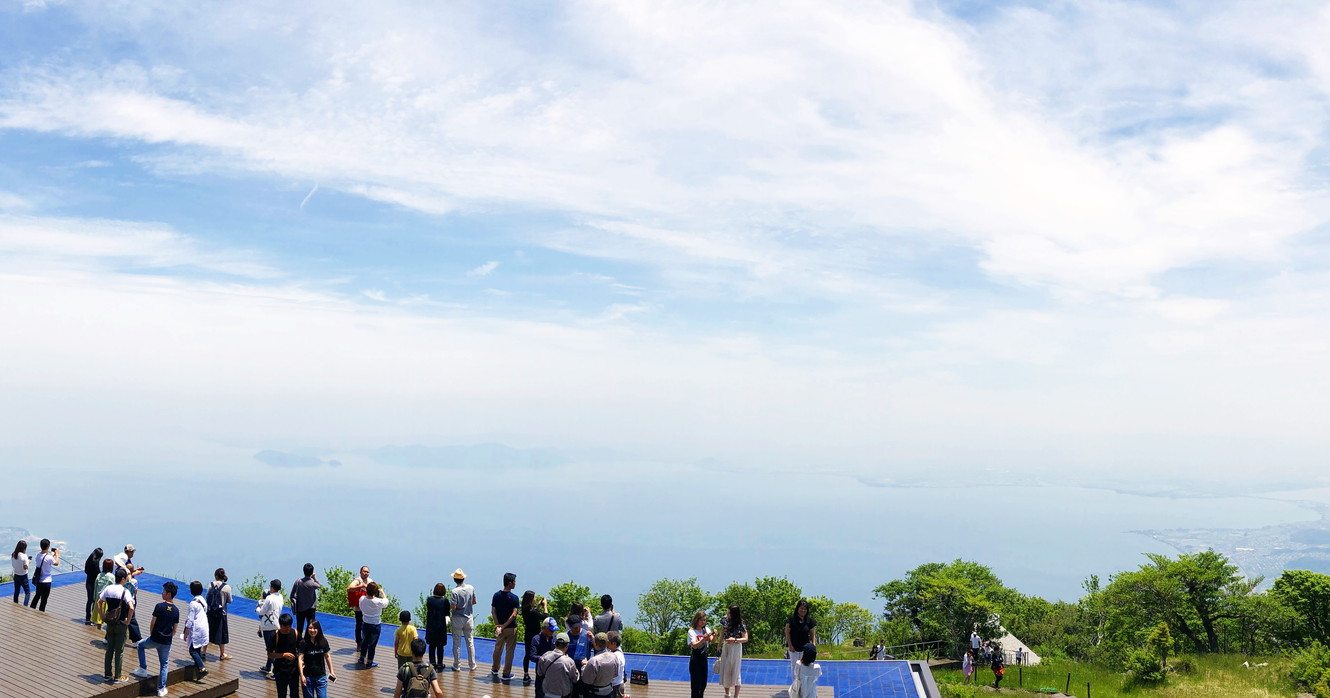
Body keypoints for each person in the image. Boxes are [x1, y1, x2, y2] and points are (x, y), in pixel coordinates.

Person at [130, 581, 179, 697]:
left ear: (168, 594)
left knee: (140, 645)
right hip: (166, 642)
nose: (162, 593)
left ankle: (143, 669)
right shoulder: (176, 610)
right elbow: (175, 629)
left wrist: (152, 634)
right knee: (164, 665)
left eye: (163, 592)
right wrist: (169, 637)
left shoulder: (159, 606)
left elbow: (153, 623)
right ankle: (161, 688)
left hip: (155, 639)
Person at [99, 567, 136, 683]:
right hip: (121, 623)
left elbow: (99, 602)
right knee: (119, 651)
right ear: (124, 579)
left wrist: (102, 616)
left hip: (110, 622)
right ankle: (118, 676)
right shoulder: (125, 591)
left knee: (109, 648)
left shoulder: (108, 588)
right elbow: (131, 607)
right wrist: (128, 621)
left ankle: (107, 673)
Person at [784, 599, 817, 697]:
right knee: (795, 667)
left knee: (805, 666)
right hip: (794, 647)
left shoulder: (809, 621)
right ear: (798, 609)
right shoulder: (791, 620)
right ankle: (796, 687)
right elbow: (787, 632)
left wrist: (813, 645)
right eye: (801, 608)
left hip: (805, 648)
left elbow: (812, 634)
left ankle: (805, 687)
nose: (803, 611)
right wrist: (790, 645)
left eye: (805, 609)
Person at [491, 572, 520, 682]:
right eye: (514, 582)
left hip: (500, 628)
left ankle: (494, 668)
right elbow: (514, 614)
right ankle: (506, 674)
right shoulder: (514, 598)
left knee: (498, 648)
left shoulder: (496, 595)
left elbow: (493, 611)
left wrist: (498, 625)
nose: (515, 583)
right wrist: (504, 626)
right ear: (510, 583)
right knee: (509, 651)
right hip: (511, 628)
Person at [298, 619, 336, 698]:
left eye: (315, 628)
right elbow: (300, 659)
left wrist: (331, 671)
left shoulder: (323, 641)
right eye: (310, 628)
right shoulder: (303, 643)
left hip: (321, 676)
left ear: (318, 629)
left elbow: (327, 656)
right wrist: (302, 676)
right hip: (308, 677)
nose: (312, 630)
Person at [449, 568, 477, 671]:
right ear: (463, 578)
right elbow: (474, 601)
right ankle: (472, 665)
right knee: (470, 642)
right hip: (469, 617)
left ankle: (457, 665)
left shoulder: (454, 591)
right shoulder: (471, 588)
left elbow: (453, 607)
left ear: (454, 580)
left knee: (457, 643)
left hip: (457, 618)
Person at [718, 605, 747, 698]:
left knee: (735, 669)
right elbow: (722, 632)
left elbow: (745, 638)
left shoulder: (740, 624)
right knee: (725, 667)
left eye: (729, 612)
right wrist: (719, 644)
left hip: (735, 647)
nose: (727, 613)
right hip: (726, 645)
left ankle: (736, 695)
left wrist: (734, 639)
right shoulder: (725, 620)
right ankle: (727, 693)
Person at [537, 632, 579, 698]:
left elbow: (539, 673)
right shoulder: (569, 661)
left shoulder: (545, 656)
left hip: (547, 693)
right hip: (563, 695)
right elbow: (575, 678)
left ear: (555, 644)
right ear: (567, 646)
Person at [358, 581, 390, 667]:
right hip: (375, 624)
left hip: (365, 623)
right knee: (372, 644)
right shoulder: (378, 601)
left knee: (364, 641)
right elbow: (386, 602)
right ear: (375, 592)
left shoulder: (362, 599)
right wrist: (383, 592)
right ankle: (369, 662)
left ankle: (361, 658)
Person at [257, 579, 285, 678]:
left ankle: (276, 671)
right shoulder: (280, 597)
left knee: (270, 649)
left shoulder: (269, 598)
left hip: (267, 626)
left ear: (272, 588)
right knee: (273, 647)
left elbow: (261, 612)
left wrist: (257, 608)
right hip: (276, 624)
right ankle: (268, 667)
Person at [183, 580, 210, 681]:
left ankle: (202, 668)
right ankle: (197, 667)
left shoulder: (193, 603)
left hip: (197, 627)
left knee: (192, 650)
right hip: (204, 625)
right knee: (197, 647)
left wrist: (186, 632)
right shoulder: (203, 600)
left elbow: (190, 620)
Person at [521, 591, 550, 684]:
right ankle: (539, 674)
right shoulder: (532, 612)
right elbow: (544, 617)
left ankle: (525, 674)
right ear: (531, 599)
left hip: (528, 634)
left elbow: (534, 613)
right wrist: (545, 606)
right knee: (538, 654)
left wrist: (538, 606)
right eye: (534, 598)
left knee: (527, 654)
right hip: (536, 635)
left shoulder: (525, 609)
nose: (535, 599)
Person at [270, 613, 301, 698]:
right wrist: (283, 655)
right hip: (280, 671)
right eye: (285, 627)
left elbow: (301, 650)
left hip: (294, 670)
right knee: (282, 694)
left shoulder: (295, 633)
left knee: (295, 694)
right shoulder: (275, 635)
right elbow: (270, 654)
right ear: (280, 625)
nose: (287, 629)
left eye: (289, 626)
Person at [206, 568, 233, 661]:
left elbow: (207, 597)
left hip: (210, 612)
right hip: (221, 613)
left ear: (215, 576)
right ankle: (222, 654)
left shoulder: (210, 585)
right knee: (222, 634)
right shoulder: (227, 587)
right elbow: (229, 600)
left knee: (208, 631)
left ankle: (204, 651)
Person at [580, 632, 617, 698]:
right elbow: (615, 674)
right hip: (608, 691)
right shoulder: (614, 657)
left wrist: (584, 665)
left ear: (596, 644)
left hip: (595, 693)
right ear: (607, 642)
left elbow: (587, 680)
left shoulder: (594, 661)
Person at [530, 617, 560, 698]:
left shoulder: (555, 638)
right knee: (539, 693)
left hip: (553, 672)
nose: (552, 632)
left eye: (554, 630)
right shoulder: (536, 639)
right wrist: (544, 659)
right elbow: (532, 656)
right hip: (541, 671)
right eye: (551, 630)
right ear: (544, 628)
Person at [688, 611, 715, 698]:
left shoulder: (706, 629)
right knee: (696, 685)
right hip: (695, 659)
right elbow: (695, 645)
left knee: (703, 683)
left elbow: (712, 640)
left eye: (704, 620)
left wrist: (714, 635)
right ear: (697, 620)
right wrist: (703, 639)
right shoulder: (692, 631)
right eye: (701, 620)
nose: (703, 622)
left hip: (704, 658)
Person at [424, 582, 451, 671]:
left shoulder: (429, 600)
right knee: (440, 646)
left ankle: (432, 663)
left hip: (431, 625)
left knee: (431, 646)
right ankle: (440, 663)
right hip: (441, 626)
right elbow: (447, 613)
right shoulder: (445, 601)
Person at [28, 538, 59, 612]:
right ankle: (41, 613)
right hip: (47, 581)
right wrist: (57, 555)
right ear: (48, 547)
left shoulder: (37, 555)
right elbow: (56, 563)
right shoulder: (49, 557)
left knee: (37, 596)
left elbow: (44, 558)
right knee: (44, 600)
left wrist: (51, 555)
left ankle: (31, 609)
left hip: (39, 580)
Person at [348, 566, 374, 653]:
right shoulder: (357, 580)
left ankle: (366, 642)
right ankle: (359, 642)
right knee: (359, 624)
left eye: (367, 572)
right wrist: (360, 586)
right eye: (364, 571)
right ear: (360, 572)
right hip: (358, 607)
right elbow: (349, 588)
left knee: (366, 625)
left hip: (367, 607)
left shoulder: (370, 581)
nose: (365, 573)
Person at [292, 563, 322, 638]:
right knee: (311, 627)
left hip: (300, 608)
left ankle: (298, 643)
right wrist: (314, 577)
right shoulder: (312, 584)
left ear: (303, 571)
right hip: (311, 609)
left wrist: (294, 605)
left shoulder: (298, 582)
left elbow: (292, 595)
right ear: (312, 572)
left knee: (299, 628)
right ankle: (309, 642)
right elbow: (319, 585)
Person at [92, 558, 115, 628]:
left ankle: (98, 630)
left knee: (99, 618)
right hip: (107, 600)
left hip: (98, 599)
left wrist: (95, 598)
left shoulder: (99, 575)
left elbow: (95, 587)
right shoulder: (111, 577)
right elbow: (113, 588)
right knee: (108, 618)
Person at [84, 547, 104, 624]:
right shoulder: (95, 562)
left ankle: (87, 617)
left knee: (89, 600)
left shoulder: (89, 560)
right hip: (94, 583)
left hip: (88, 581)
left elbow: (86, 571)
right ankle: (93, 618)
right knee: (94, 600)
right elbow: (98, 573)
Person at [607, 630, 627, 698]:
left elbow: (614, 673)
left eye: (608, 641)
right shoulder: (617, 651)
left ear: (614, 643)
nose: (606, 643)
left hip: (615, 686)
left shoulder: (616, 656)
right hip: (618, 683)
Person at [10, 540, 30, 606]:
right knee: (27, 592)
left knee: (16, 591)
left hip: (16, 575)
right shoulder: (24, 556)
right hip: (23, 576)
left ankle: (15, 605)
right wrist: (28, 562)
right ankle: (25, 605)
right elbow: (25, 567)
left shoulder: (13, 554)